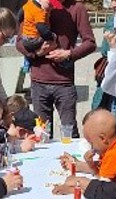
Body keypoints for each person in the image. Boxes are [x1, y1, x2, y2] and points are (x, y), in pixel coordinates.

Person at [16, 0, 96, 138]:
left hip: (64, 83)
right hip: (38, 82)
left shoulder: (77, 8)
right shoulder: (34, 5)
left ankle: (71, 159)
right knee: (42, 135)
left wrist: (68, 54)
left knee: (69, 134)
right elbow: (19, 42)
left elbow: (90, 42)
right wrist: (36, 53)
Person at [59, 109, 116, 181]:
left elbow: (101, 187)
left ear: (103, 138)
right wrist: (90, 165)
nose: (91, 147)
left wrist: (75, 184)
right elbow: (100, 171)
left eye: (91, 143)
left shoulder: (114, 155)